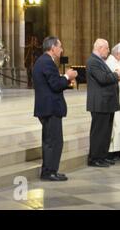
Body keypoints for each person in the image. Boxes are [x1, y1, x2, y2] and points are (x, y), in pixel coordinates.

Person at [33, 37, 78, 181]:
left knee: (51, 141)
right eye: (60, 46)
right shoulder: (47, 62)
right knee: (54, 142)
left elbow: (53, 83)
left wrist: (64, 79)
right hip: (50, 108)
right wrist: (67, 76)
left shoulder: (44, 61)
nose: (62, 49)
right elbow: (55, 84)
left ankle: (51, 170)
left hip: (48, 108)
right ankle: (49, 172)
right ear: (53, 48)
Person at [86, 39, 120, 168]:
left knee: (106, 132)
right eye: (107, 48)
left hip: (106, 102)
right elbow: (103, 78)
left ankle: (102, 156)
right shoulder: (92, 61)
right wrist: (117, 74)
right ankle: (94, 158)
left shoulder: (100, 61)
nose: (108, 51)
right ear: (100, 48)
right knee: (99, 132)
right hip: (100, 103)